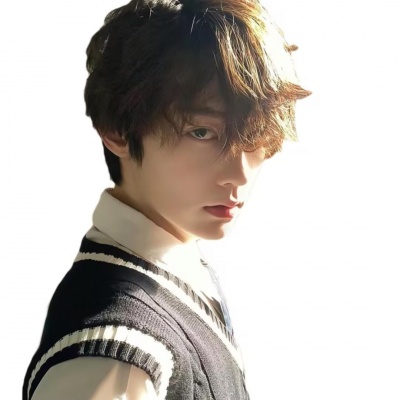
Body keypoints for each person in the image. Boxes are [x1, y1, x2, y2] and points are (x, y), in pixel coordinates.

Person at [23, 0, 310, 398]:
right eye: (202, 133)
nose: (240, 175)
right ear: (117, 130)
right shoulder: (116, 361)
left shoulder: (180, 265)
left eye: (256, 138)